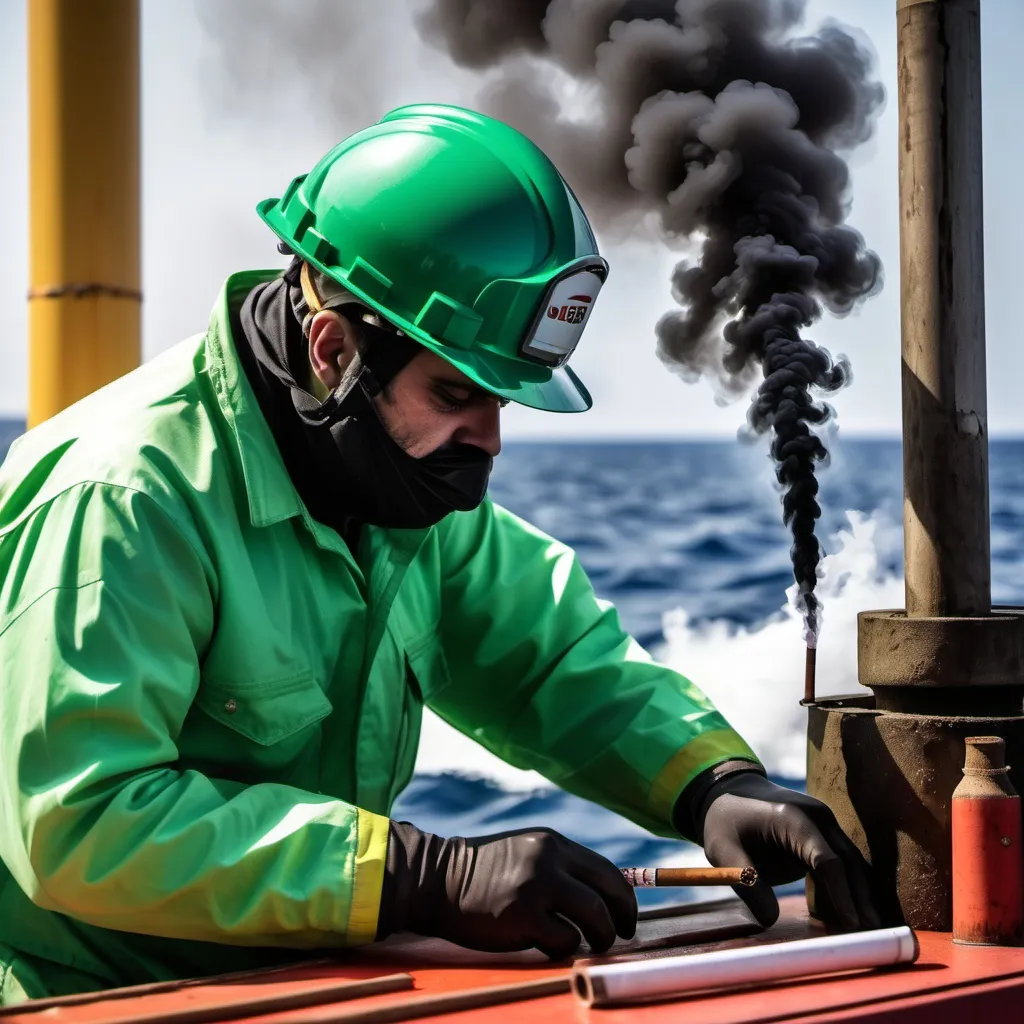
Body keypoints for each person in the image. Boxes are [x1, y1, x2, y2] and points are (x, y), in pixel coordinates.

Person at [0, 104, 878, 1004]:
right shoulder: (126, 499)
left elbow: (549, 665)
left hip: (301, 980)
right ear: (334, 347)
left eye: (505, 400)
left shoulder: (394, 481)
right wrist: (421, 878)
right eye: (459, 391)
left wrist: (712, 787)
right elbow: (80, 822)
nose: (490, 440)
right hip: (93, 1002)